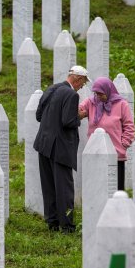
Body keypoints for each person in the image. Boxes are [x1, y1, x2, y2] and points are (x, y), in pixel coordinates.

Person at [33, 66, 91, 233]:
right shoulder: (72, 95)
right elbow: (68, 121)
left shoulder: (51, 88)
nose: (82, 86)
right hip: (61, 148)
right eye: (83, 83)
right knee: (64, 187)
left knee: (48, 185)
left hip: (43, 145)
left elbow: (39, 116)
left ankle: (52, 222)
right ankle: (67, 226)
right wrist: (80, 116)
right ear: (78, 79)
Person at [78, 76, 135, 190]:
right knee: (97, 189)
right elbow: (78, 109)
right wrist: (79, 111)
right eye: (96, 93)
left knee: (116, 189)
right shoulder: (91, 102)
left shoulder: (121, 104)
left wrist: (123, 144)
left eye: (100, 94)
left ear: (108, 90)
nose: (98, 96)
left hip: (116, 153)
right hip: (95, 152)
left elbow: (129, 126)